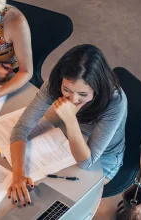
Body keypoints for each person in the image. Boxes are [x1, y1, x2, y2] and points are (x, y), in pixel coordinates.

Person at [8, 44, 127, 219]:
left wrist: (70, 120)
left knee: (58, 204)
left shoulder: (115, 101)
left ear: (97, 88)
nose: (73, 99)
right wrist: (18, 174)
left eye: (83, 94)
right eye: (67, 90)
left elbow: (87, 162)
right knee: (34, 190)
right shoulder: (57, 82)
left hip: (104, 159)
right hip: (65, 140)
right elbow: (22, 128)